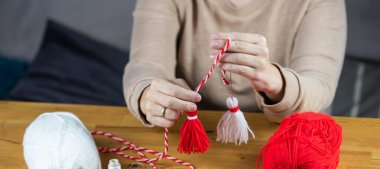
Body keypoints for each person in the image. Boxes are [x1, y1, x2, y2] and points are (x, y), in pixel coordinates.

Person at [123, 0, 347, 127]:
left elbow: (319, 85)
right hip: (196, 135)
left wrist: (275, 82)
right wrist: (146, 95)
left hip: (286, 136)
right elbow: (145, 65)